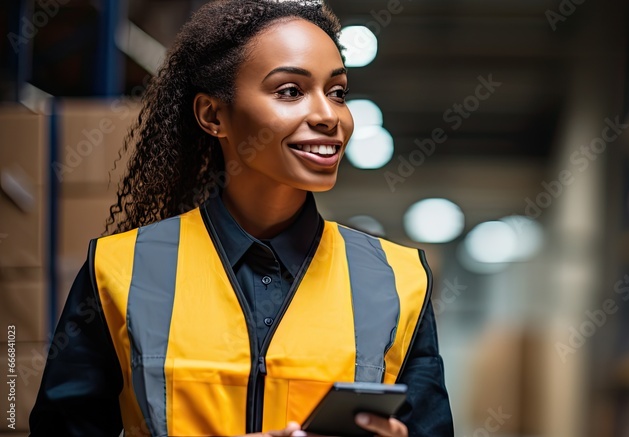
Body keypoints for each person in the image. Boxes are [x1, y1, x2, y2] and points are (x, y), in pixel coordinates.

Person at [27, 0, 452, 436]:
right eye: (290, 91)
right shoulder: (118, 270)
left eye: (338, 92)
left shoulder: (399, 281)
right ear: (213, 115)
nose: (329, 116)